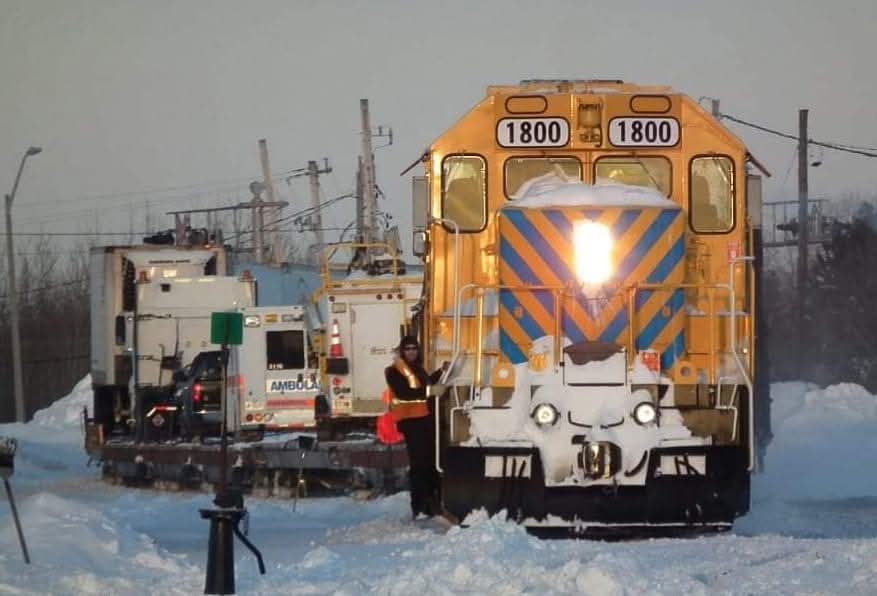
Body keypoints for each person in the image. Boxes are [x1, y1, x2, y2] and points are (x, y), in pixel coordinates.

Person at [384, 336, 447, 519]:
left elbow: (424, 384)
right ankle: (419, 506)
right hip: (410, 422)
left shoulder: (417, 369)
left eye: (414, 348)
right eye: (408, 348)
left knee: (428, 463)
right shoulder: (393, 371)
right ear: (402, 351)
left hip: (423, 420)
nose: (411, 351)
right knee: (418, 465)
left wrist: (439, 373)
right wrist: (431, 391)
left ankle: (430, 505)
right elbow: (405, 393)